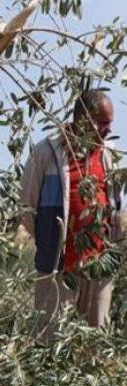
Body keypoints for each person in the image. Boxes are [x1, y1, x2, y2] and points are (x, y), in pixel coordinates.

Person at [20, 89, 121, 337]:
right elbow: (27, 207)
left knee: (96, 342)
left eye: (110, 123)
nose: (108, 129)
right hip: (59, 268)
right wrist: (50, 242)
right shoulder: (47, 152)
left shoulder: (108, 154)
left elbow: (114, 206)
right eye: (102, 123)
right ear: (83, 119)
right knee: (50, 340)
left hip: (99, 268)